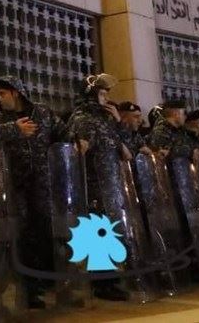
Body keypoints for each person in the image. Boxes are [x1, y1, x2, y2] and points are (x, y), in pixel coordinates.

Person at [0, 76, 69, 309]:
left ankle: (54, 284)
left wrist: (77, 141)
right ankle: (29, 290)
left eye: (2, 94)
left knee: (46, 233)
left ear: (16, 92)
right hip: (16, 188)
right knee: (23, 237)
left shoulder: (42, 113)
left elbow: (63, 133)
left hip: (43, 186)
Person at [66, 73, 124, 301]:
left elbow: (121, 147)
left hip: (110, 184)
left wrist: (118, 122)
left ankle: (110, 279)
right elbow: (77, 150)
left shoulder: (105, 118)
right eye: (101, 93)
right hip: (93, 184)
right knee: (97, 232)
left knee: (109, 231)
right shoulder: (81, 118)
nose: (105, 98)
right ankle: (102, 283)